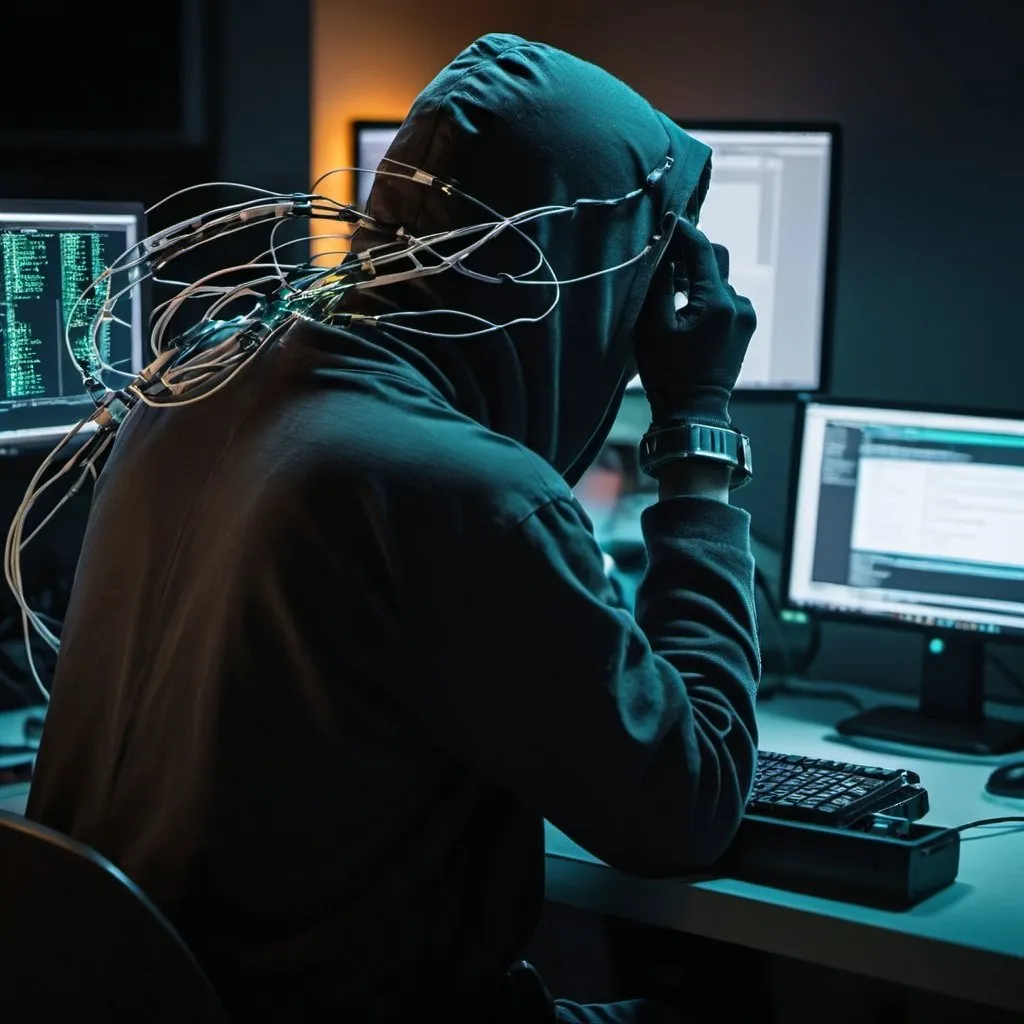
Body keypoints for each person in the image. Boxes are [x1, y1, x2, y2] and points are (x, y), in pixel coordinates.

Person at [26, 32, 760, 1024]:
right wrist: (698, 427)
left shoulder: (192, 380)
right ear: (587, 273)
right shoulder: (468, 497)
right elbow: (689, 804)